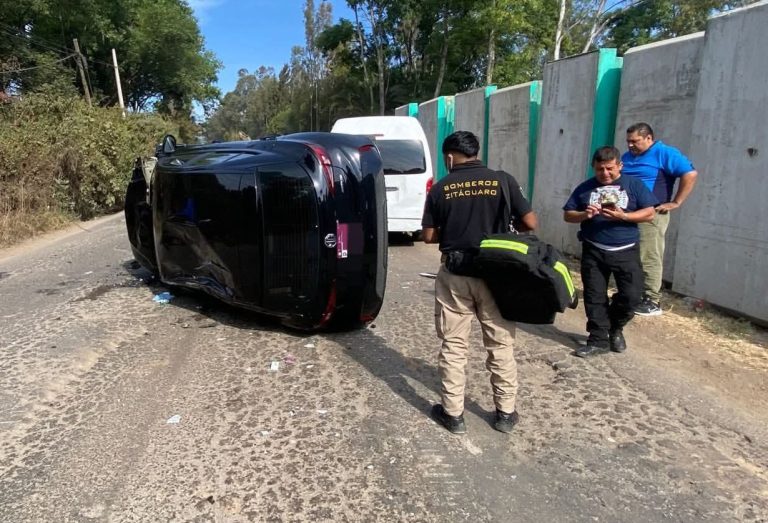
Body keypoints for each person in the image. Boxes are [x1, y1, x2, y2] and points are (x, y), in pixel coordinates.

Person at [421, 130, 538, 434]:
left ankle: (453, 414)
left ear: (449, 157)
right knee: (500, 343)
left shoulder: (441, 188)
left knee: (454, 345)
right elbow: (530, 223)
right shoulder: (503, 180)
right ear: (476, 152)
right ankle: (505, 413)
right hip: (496, 274)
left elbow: (429, 236)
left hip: (456, 275)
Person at [563, 146, 657, 358]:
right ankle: (597, 339)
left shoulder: (633, 185)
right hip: (594, 250)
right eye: (599, 169)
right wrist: (584, 214)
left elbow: (650, 213)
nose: (605, 173)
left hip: (626, 251)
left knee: (632, 296)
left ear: (619, 166)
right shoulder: (585, 188)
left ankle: (615, 327)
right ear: (593, 168)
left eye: (609, 169)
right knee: (594, 296)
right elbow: (568, 215)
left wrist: (624, 217)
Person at [622, 123, 698, 316]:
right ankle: (634, 292)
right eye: (628, 141)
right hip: (628, 213)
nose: (630, 145)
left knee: (649, 255)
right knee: (630, 254)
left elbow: (690, 173)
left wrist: (676, 202)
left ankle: (651, 300)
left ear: (648, 138)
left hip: (651, 214)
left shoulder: (665, 153)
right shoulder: (627, 157)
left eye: (635, 141)